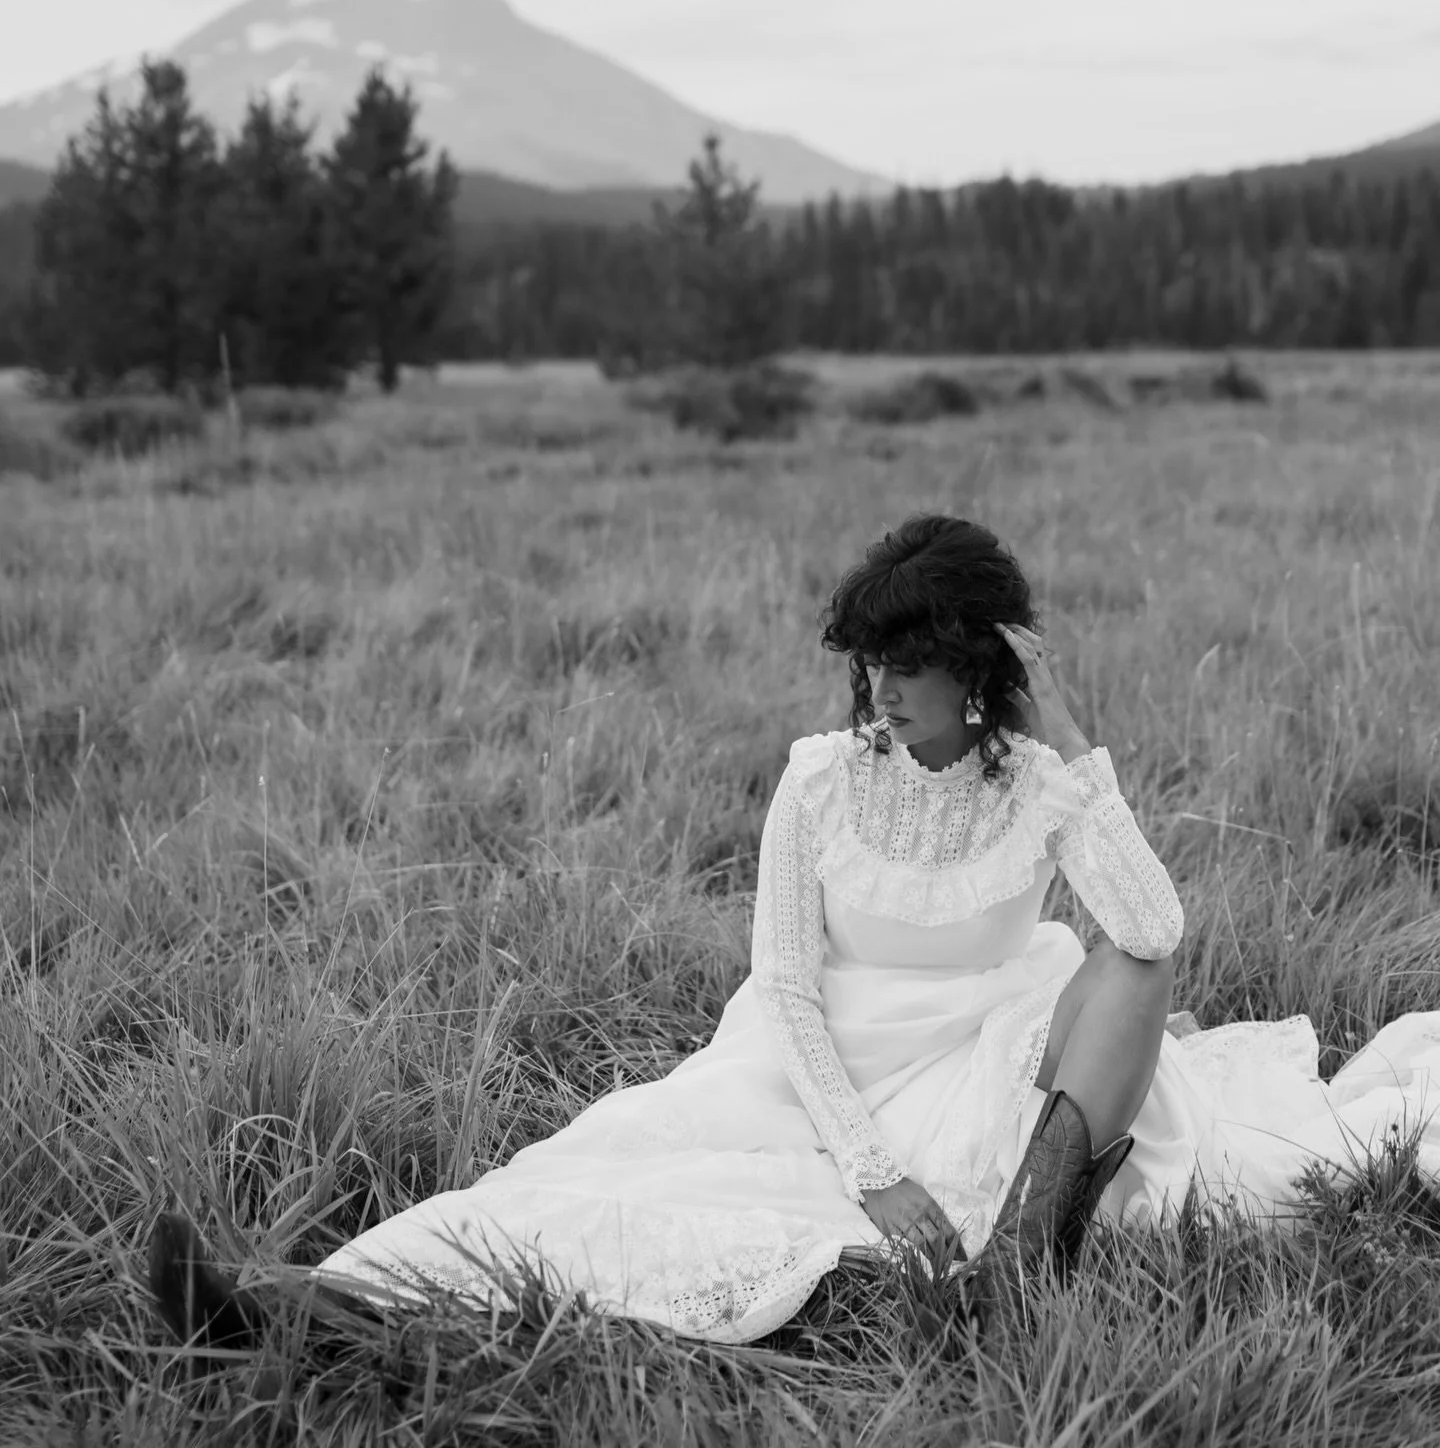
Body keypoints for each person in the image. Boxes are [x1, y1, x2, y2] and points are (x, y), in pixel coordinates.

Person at [151, 513, 1440, 1350]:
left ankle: (1023, 1259)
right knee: (606, 1183)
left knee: (1126, 966)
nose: (882, 690)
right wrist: (872, 1166)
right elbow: (787, 987)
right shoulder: (820, 780)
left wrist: (1069, 748)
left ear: (976, 670)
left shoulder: (1041, 783)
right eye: (869, 662)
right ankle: (311, 1302)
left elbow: (1156, 927)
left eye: (910, 664)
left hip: (997, 1047)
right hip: (819, 1063)